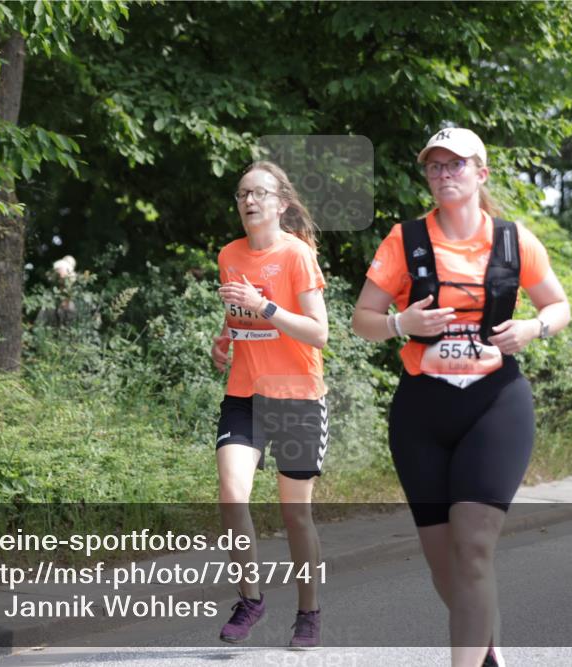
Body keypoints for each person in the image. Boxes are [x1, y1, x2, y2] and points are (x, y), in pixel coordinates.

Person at [351, 128, 570, 667]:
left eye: (457, 165)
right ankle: (486, 651)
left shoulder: (515, 241)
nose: (445, 175)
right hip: (422, 411)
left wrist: (533, 328)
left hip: (496, 404)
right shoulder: (404, 241)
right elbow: (362, 322)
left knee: (473, 548)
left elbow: (559, 306)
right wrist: (403, 321)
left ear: (481, 173)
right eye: (435, 166)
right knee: (443, 562)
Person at [211, 161, 329, 649]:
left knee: (294, 515)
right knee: (231, 493)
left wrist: (266, 308)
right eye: (241, 194)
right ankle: (251, 599)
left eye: (258, 193)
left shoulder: (297, 255)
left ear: (280, 203)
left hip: (298, 396)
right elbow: (236, 316)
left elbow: (319, 333)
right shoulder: (229, 254)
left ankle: (308, 613)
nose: (248, 201)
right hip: (245, 394)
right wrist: (223, 341)